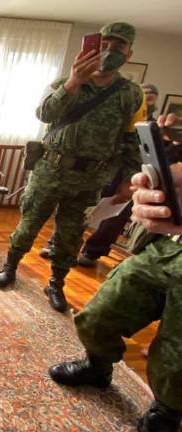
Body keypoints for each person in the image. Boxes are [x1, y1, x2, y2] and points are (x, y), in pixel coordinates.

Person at [0, 22, 147, 312]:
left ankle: (56, 283)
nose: (110, 51)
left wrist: (128, 179)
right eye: (104, 45)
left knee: (71, 234)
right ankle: (9, 267)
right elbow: (44, 113)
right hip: (50, 170)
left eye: (118, 47)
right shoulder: (63, 82)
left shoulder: (131, 94)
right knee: (28, 224)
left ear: (129, 54)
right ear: (92, 47)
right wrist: (74, 81)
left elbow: (132, 140)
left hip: (90, 177)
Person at [49, 113, 182, 432]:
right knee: (98, 315)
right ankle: (97, 369)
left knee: (176, 357)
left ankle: (167, 411)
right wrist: (168, 171)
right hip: (168, 246)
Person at [40, 83, 160, 266]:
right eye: (144, 96)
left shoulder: (153, 127)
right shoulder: (119, 116)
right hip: (101, 170)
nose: (147, 101)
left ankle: (92, 252)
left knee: (115, 216)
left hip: (130, 175)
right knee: (78, 208)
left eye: (151, 98)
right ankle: (56, 244)